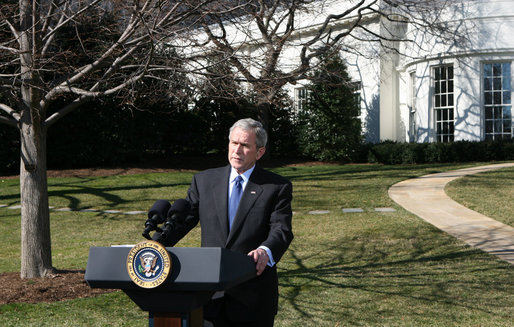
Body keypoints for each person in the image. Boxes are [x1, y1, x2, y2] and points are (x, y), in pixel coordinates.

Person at [159, 118, 294, 327]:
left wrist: (266, 251)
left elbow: (281, 228)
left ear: (259, 152)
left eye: (245, 145)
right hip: (209, 297)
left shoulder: (276, 187)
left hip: (253, 297)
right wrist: (157, 244)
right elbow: (183, 221)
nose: (237, 150)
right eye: (233, 143)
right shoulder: (204, 181)